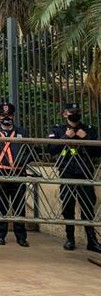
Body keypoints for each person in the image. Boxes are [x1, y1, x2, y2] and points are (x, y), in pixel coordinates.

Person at [48, 103, 101, 253]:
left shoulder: (89, 129)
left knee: (88, 206)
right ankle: (70, 238)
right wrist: (66, 137)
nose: (75, 114)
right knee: (68, 205)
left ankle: (92, 241)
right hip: (67, 171)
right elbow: (51, 150)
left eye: (77, 111)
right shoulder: (58, 130)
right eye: (71, 112)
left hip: (85, 172)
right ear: (65, 114)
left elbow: (98, 152)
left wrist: (87, 139)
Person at [0, 102, 29, 247]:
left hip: (19, 173)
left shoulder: (22, 132)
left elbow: (30, 151)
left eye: (9, 115)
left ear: (13, 116)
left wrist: (22, 162)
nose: (6, 117)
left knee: (19, 206)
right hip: (0, 173)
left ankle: (21, 237)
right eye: (3, 115)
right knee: (1, 206)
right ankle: (0, 235)